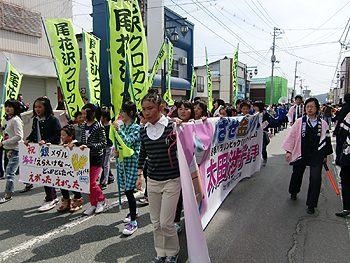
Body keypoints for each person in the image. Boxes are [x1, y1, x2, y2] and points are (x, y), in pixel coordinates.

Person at [137, 89, 181, 263]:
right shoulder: (143, 130)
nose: (146, 112)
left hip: (172, 180)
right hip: (153, 181)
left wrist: (187, 122)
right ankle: (160, 252)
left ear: (161, 107)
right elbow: (143, 153)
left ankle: (173, 252)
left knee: (166, 223)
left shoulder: (173, 126)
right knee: (155, 223)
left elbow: (191, 139)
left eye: (150, 108)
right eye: (144, 109)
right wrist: (140, 174)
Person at [282, 98, 333, 214]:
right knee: (297, 174)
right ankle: (293, 191)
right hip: (301, 152)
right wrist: (289, 151)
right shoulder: (299, 122)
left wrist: (325, 155)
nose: (309, 109)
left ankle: (311, 204)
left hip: (317, 154)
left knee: (316, 179)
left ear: (317, 108)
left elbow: (326, 141)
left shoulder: (323, 124)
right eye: (307, 106)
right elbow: (292, 136)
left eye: (312, 106)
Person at [67, 103, 107, 215]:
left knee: (91, 182)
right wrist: (75, 143)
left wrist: (89, 146)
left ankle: (102, 200)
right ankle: (93, 203)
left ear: (93, 114)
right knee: (86, 182)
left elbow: (103, 143)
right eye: (82, 113)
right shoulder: (84, 125)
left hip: (96, 157)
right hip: (85, 158)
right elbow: (84, 142)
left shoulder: (99, 126)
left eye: (85, 113)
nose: (83, 116)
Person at [24, 97, 61, 212]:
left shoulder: (53, 119)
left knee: (48, 174)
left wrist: (47, 141)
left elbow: (58, 134)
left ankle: (51, 198)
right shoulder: (36, 120)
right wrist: (28, 139)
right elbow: (34, 132)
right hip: (40, 151)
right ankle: (52, 197)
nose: (37, 109)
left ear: (46, 108)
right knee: (44, 174)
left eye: (40, 107)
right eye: (35, 107)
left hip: (51, 151)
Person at [112, 100, 140, 236]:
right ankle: (133, 211)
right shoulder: (122, 127)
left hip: (133, 163)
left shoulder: (136, 128)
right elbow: (119, 145)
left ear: (130, 113)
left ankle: (133, 222)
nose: (120, 114)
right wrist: (116, 152)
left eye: (122, 111)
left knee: (129, 191)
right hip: (123, 163)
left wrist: (118, 130)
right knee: (126, 189)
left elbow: (128, 142)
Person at [0, 100, 23, 204]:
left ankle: (8, 194)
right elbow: (5, 132)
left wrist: (4, 142)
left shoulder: (16, 120)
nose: (7, 109)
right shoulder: (5, 119)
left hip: (16, 149)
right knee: (19, 168)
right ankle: (28, 184)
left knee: (10, 172)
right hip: (7, 148)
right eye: (6, 107)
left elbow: (19, 136)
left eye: (10, 107)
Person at [57, 125, 83, 212]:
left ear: (70, 136)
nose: (61, 137)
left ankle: (77, 201)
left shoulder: (75, 144)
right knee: (63, 184)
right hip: (63, 169)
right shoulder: (61, 144)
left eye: (63, 135)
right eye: (61, 135)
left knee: (74, 185)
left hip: (73, 170)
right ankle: (66, 201)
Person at [99, 107, 114, 190]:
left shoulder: (109, 127)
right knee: (104, 163)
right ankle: (110, 176)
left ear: (104, 118)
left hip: (108, 147)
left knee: (105, 163)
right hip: (103, 147)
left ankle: (104, 181)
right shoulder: (102, 126)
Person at [333, 94, 350, 165]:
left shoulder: (344, 108)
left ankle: (338, 160)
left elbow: (339, 120)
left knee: (340, 145)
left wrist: (336, 131)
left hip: (343, 129)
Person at [253, 102, 270, 166]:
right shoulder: (254, 114)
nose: (255, 108)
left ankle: (264, 158)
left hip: (263, 132)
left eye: (256, 107)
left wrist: (262, 127)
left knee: (263, 147)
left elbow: (268, 122)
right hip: (255, 133)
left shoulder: (265, 114)